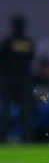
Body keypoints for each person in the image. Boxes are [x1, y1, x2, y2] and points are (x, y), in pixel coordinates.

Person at [0, 14, 35, 142]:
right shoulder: (29, 44)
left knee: (5, 110)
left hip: (9, 81)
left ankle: (2, 137)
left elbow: (2, 62)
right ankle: (27, 138)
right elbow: (30, 61)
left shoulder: (7, 43)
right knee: (25, 111)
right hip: (24, 81)